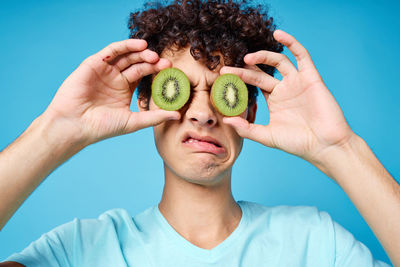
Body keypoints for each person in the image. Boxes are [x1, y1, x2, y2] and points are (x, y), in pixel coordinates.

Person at [0, 0, 398, 266]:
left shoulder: (315, 242)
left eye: (225, 92)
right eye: (181, 90)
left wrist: (341, 149)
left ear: (251, 110)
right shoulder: (80, 250)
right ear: (147, 102)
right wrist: (54, 133)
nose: (204, 114)